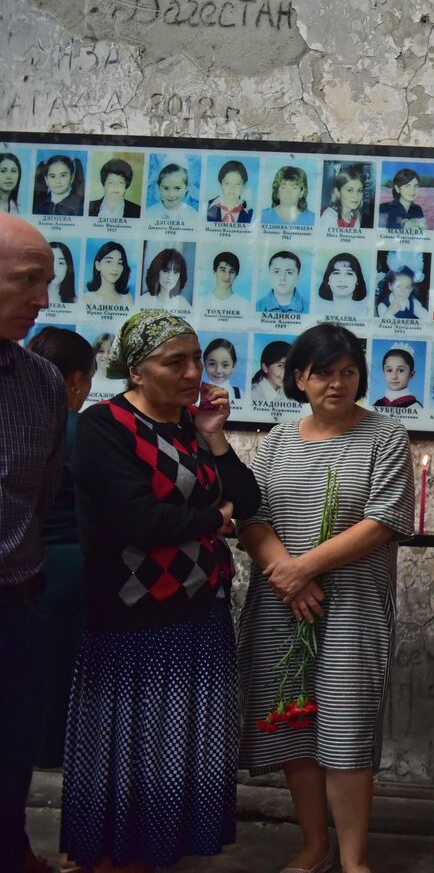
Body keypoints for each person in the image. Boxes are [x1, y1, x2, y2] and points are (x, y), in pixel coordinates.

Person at [64, 310, 258, 870]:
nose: (194, 372)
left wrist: (215, 438)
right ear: (137, 370)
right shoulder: (106, 425)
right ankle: (114, 856)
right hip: (134, 614)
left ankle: (157, 852)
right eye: (177, 362)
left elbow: (245, 501)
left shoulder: (186, 428)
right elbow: (136, 520)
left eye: (197, 360)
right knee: (129, 747)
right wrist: (212, 519)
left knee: (179, 746)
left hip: (199, 610)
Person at [237, 323, 414, 873]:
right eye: (322, 373)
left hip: (352, 610)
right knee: (295, 723)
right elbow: (252, 516)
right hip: (280, 606)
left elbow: (382, 521)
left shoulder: (385, 437)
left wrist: (303, 570)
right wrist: (289, 577)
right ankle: (314, 846)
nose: (336, 383)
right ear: (298, 379)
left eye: (347, 372)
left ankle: (354, 860)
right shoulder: (277, 442)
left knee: (345, 725)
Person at [0, 213, 68, 873]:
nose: (42, 300)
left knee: (12, 748)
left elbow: (41, 494)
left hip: (15, 602)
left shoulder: (40, 382)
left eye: (46, 283)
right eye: (28, 281)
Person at [23, 328, 93, 774]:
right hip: (75, 564)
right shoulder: (80, 430)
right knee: (63, 670)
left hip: (23, 565)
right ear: (75, 381)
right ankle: (51, 752)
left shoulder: (19, 420)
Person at [80, 241, 134, 307]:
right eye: (109, 261)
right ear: (98, 265)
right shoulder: (87, 299)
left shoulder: (128, 299)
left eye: (120, 263)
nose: (115, 268)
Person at [317, 252, 370, 318]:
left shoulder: (365, 312)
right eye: (336, 273)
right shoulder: (318, 311)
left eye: (349, 274)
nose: (342, 279)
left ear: (357, 280)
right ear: (328, 280)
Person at [320, 164, 372, 229]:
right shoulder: (330, 216)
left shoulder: (355, 217)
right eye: (350, 190)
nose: (356, 196)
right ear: (337, 192)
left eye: (360, 190)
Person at [141, 246, 192, 311]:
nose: (170, 277)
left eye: (175, 272)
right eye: (166, 271)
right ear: (156, 271)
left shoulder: (183, 304)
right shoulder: (143, 301)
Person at [378, 167, 427, 233]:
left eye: (416, 186)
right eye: (407, 186)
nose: (412, 190)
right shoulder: (383, 208)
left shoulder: (417, 209)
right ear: (397, 188)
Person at [203, 251, 250, 317]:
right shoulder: (202, 303)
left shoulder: (245, 305)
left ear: (236, 275)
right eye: (223, 270)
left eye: (231, 272)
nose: (227, 276)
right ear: (214, 271)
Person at [207, 159, 254, 224]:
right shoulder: (206, 207)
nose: (232, 189)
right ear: (220, 184)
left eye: (237, 184)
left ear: (244, 185)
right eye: (227, 183)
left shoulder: (250, 213)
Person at [47, 241, 76, 305]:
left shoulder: (76, 301)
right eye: (49, 262)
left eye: (60, 263)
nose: (54, 269)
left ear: (68, 267)